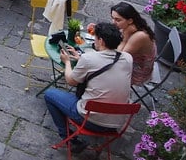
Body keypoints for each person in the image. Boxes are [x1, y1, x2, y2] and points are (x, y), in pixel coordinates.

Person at [44, 22, 132, 153]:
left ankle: (69, 139)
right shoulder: (128, 58)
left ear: (101, 41)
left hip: (90, 120)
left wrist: (67, 62)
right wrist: (81, 58)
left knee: (50, 94)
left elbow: (71, 81)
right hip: (116, 123)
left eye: (95, 38)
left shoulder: (89, 58)